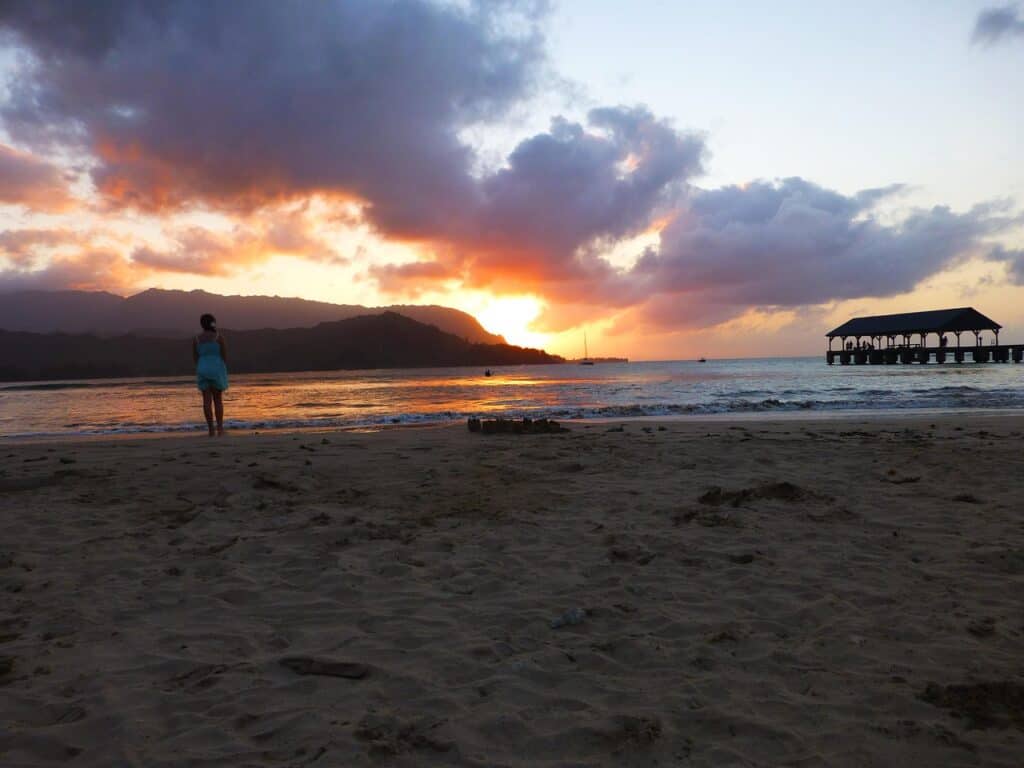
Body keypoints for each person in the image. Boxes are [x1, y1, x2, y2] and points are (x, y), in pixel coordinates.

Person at [193, 313, 228, 436]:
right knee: (217, 400)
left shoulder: (196, 339)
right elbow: (224, 355)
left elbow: (195, 357)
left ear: (202, 324)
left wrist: (201, 366)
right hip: (216, 368)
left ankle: (211, 430)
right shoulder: (219, 337)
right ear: (213, 323)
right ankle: (220, 429)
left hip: (203, 368)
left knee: (206, 401)